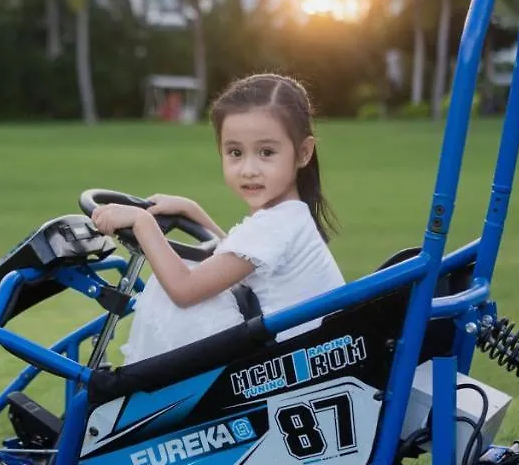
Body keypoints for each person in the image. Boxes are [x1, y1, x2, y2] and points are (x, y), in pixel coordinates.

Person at [90, 73, 346, 365]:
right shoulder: (289, 216)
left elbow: (185, 290)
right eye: (235, 152)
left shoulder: (275, 225)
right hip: (303, 359)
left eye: (266, 152)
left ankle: (135, 399)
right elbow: (239, 261)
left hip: (294, 369)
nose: (248, 169)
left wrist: (142, 222)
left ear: (303, 153)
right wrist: (193, 211)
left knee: (170, 292)